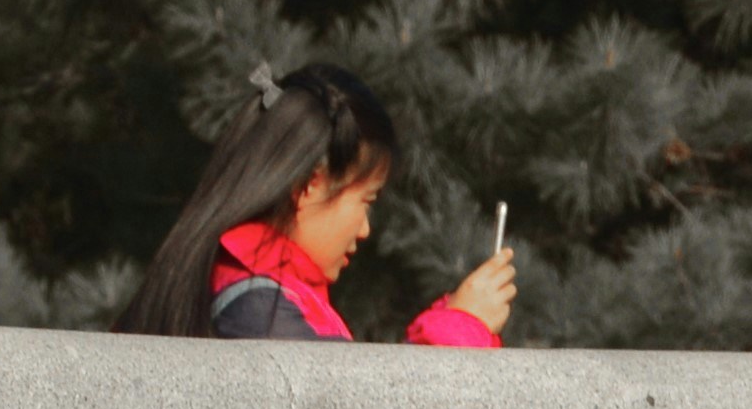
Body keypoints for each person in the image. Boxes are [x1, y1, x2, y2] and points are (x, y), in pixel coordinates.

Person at [119, 64, 517, 349]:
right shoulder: (259, 311)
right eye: (366, 201)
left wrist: (451, 326)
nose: (365, 229)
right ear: (309, 187)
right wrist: (458, 332)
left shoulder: (264, 299)